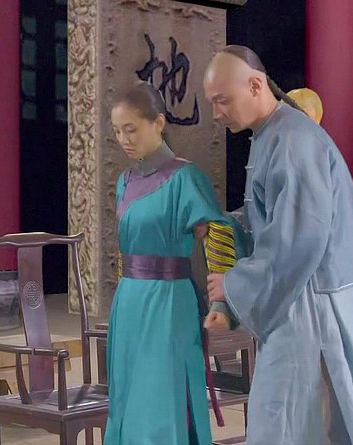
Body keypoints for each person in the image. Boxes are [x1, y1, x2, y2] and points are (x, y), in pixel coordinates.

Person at [202, 45, 353, 445]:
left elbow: (301, 236)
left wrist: (234, 283)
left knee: (285, 414)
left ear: (256, 85)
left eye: (222, 100)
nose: (216, 113)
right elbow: (275, 218)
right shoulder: (274, 133)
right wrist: (225, 223)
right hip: (305, 288)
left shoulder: (293, 138)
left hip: (309, 295)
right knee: (325, 412)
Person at [104, 81, 243, 445]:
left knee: (163, 399)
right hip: (129, 303)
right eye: (117, 131)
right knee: (128, 400)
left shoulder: (185, 177)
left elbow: (219, 231)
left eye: (131, 129)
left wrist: (220, 301)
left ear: (159, 123)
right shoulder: (125, 181)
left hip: (169, 303)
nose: (124, 140)